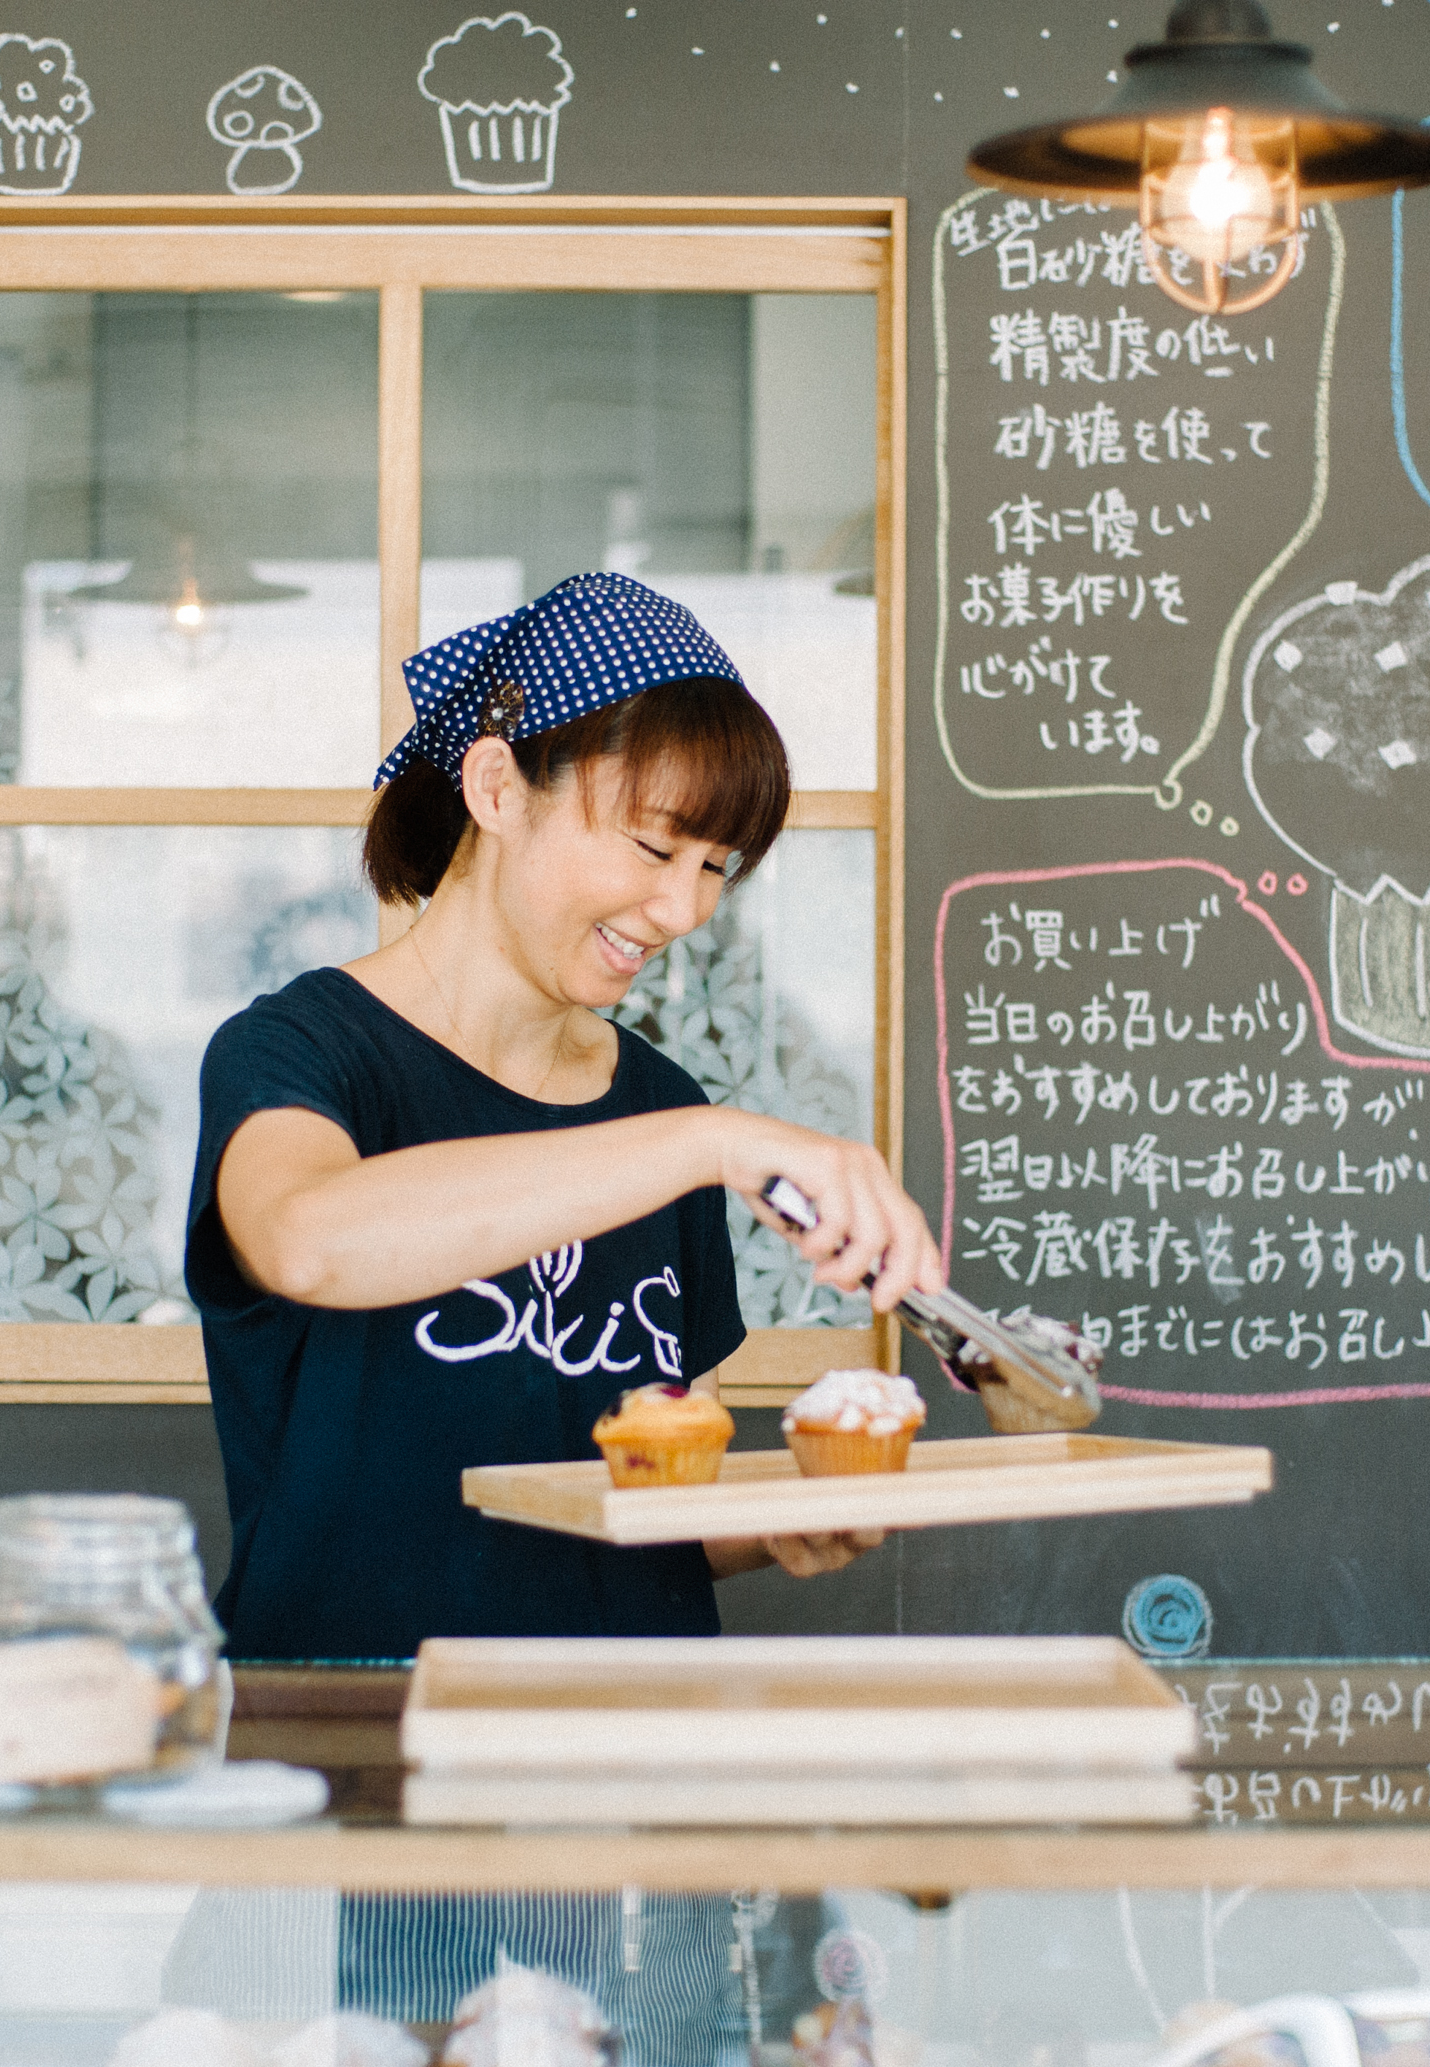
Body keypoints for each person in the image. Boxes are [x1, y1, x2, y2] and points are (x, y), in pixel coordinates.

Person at [184, 572, 946, 1661]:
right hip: (356, 1741)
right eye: (652, 849)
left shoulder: (658, 1108)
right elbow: (305, 1239)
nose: (683, 911)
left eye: (714, 868)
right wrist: (713, 1144)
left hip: (624, 1747)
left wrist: (779, 1520)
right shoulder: (301, 1052)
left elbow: (661, 1489)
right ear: (495, 790)